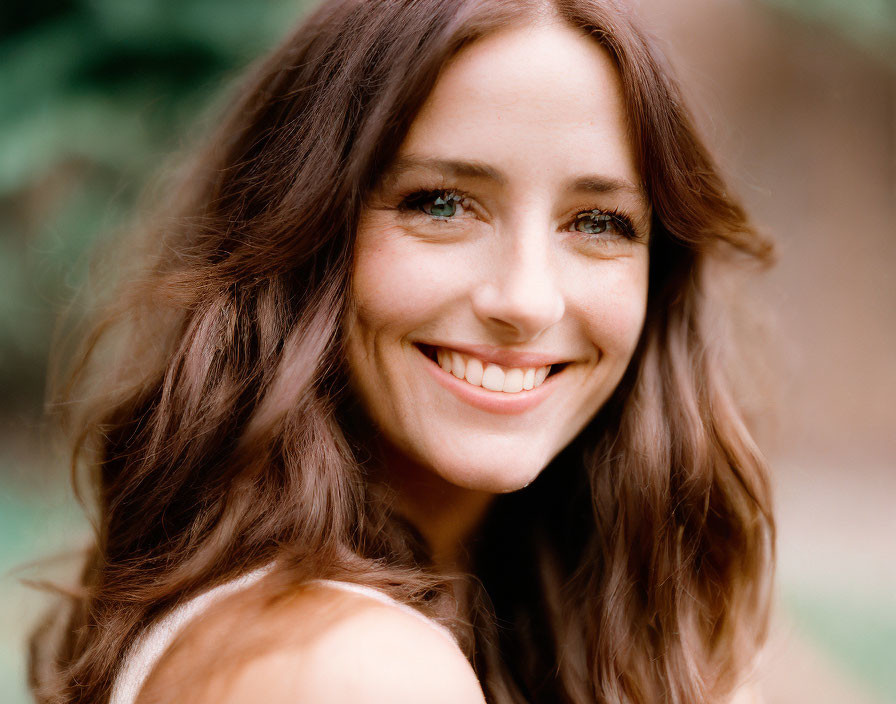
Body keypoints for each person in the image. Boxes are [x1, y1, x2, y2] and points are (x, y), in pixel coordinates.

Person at [29, 0, 775, 702]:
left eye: (599, 221)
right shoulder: (360, 669)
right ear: (306, 231)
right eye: (440, 203)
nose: (526, 300)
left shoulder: (548, 615)